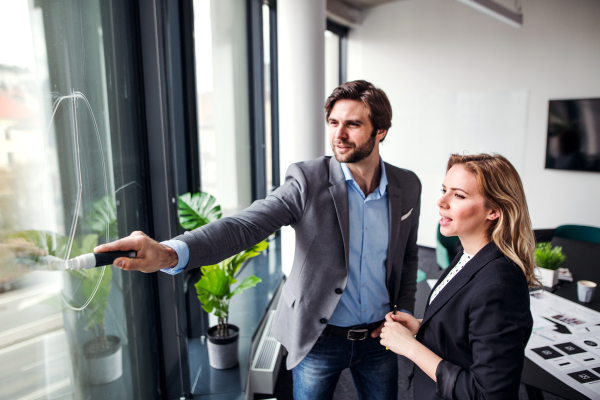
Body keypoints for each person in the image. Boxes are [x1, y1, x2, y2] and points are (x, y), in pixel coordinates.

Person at [95, 80, 422, 400]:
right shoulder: (308, 180)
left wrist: (403, 310)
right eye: (334, 122)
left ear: (380, 131)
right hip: (319, 336)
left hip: (381, 336)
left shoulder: (407, 185)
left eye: (352, 124)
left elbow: (407, 256)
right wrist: (169, 253)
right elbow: (244, 226)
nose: (338, 134)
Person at [380, 153, 535, 400]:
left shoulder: (499, 284)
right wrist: (424, 328)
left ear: (494, 211)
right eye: (444, 190)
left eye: (458, 195)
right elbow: (465, 331)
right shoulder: (467, 253)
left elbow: (488, 395)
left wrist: (411, 348)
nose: (441, 202)